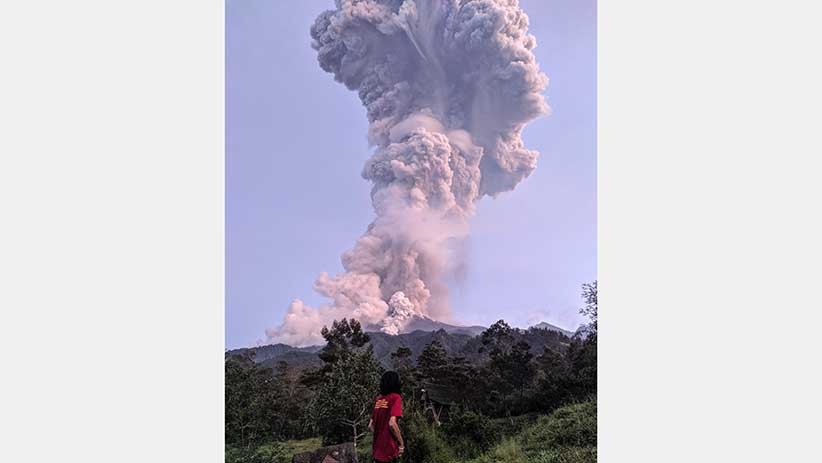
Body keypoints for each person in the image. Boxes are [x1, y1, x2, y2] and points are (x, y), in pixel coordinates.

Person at [369, 371, 405, 462]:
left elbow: (370, 425)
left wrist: (380, 436)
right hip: (389, 450)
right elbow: (392, 423)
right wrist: (401, 443)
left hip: (377, 450)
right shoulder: (396, 398)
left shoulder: (379, 400)